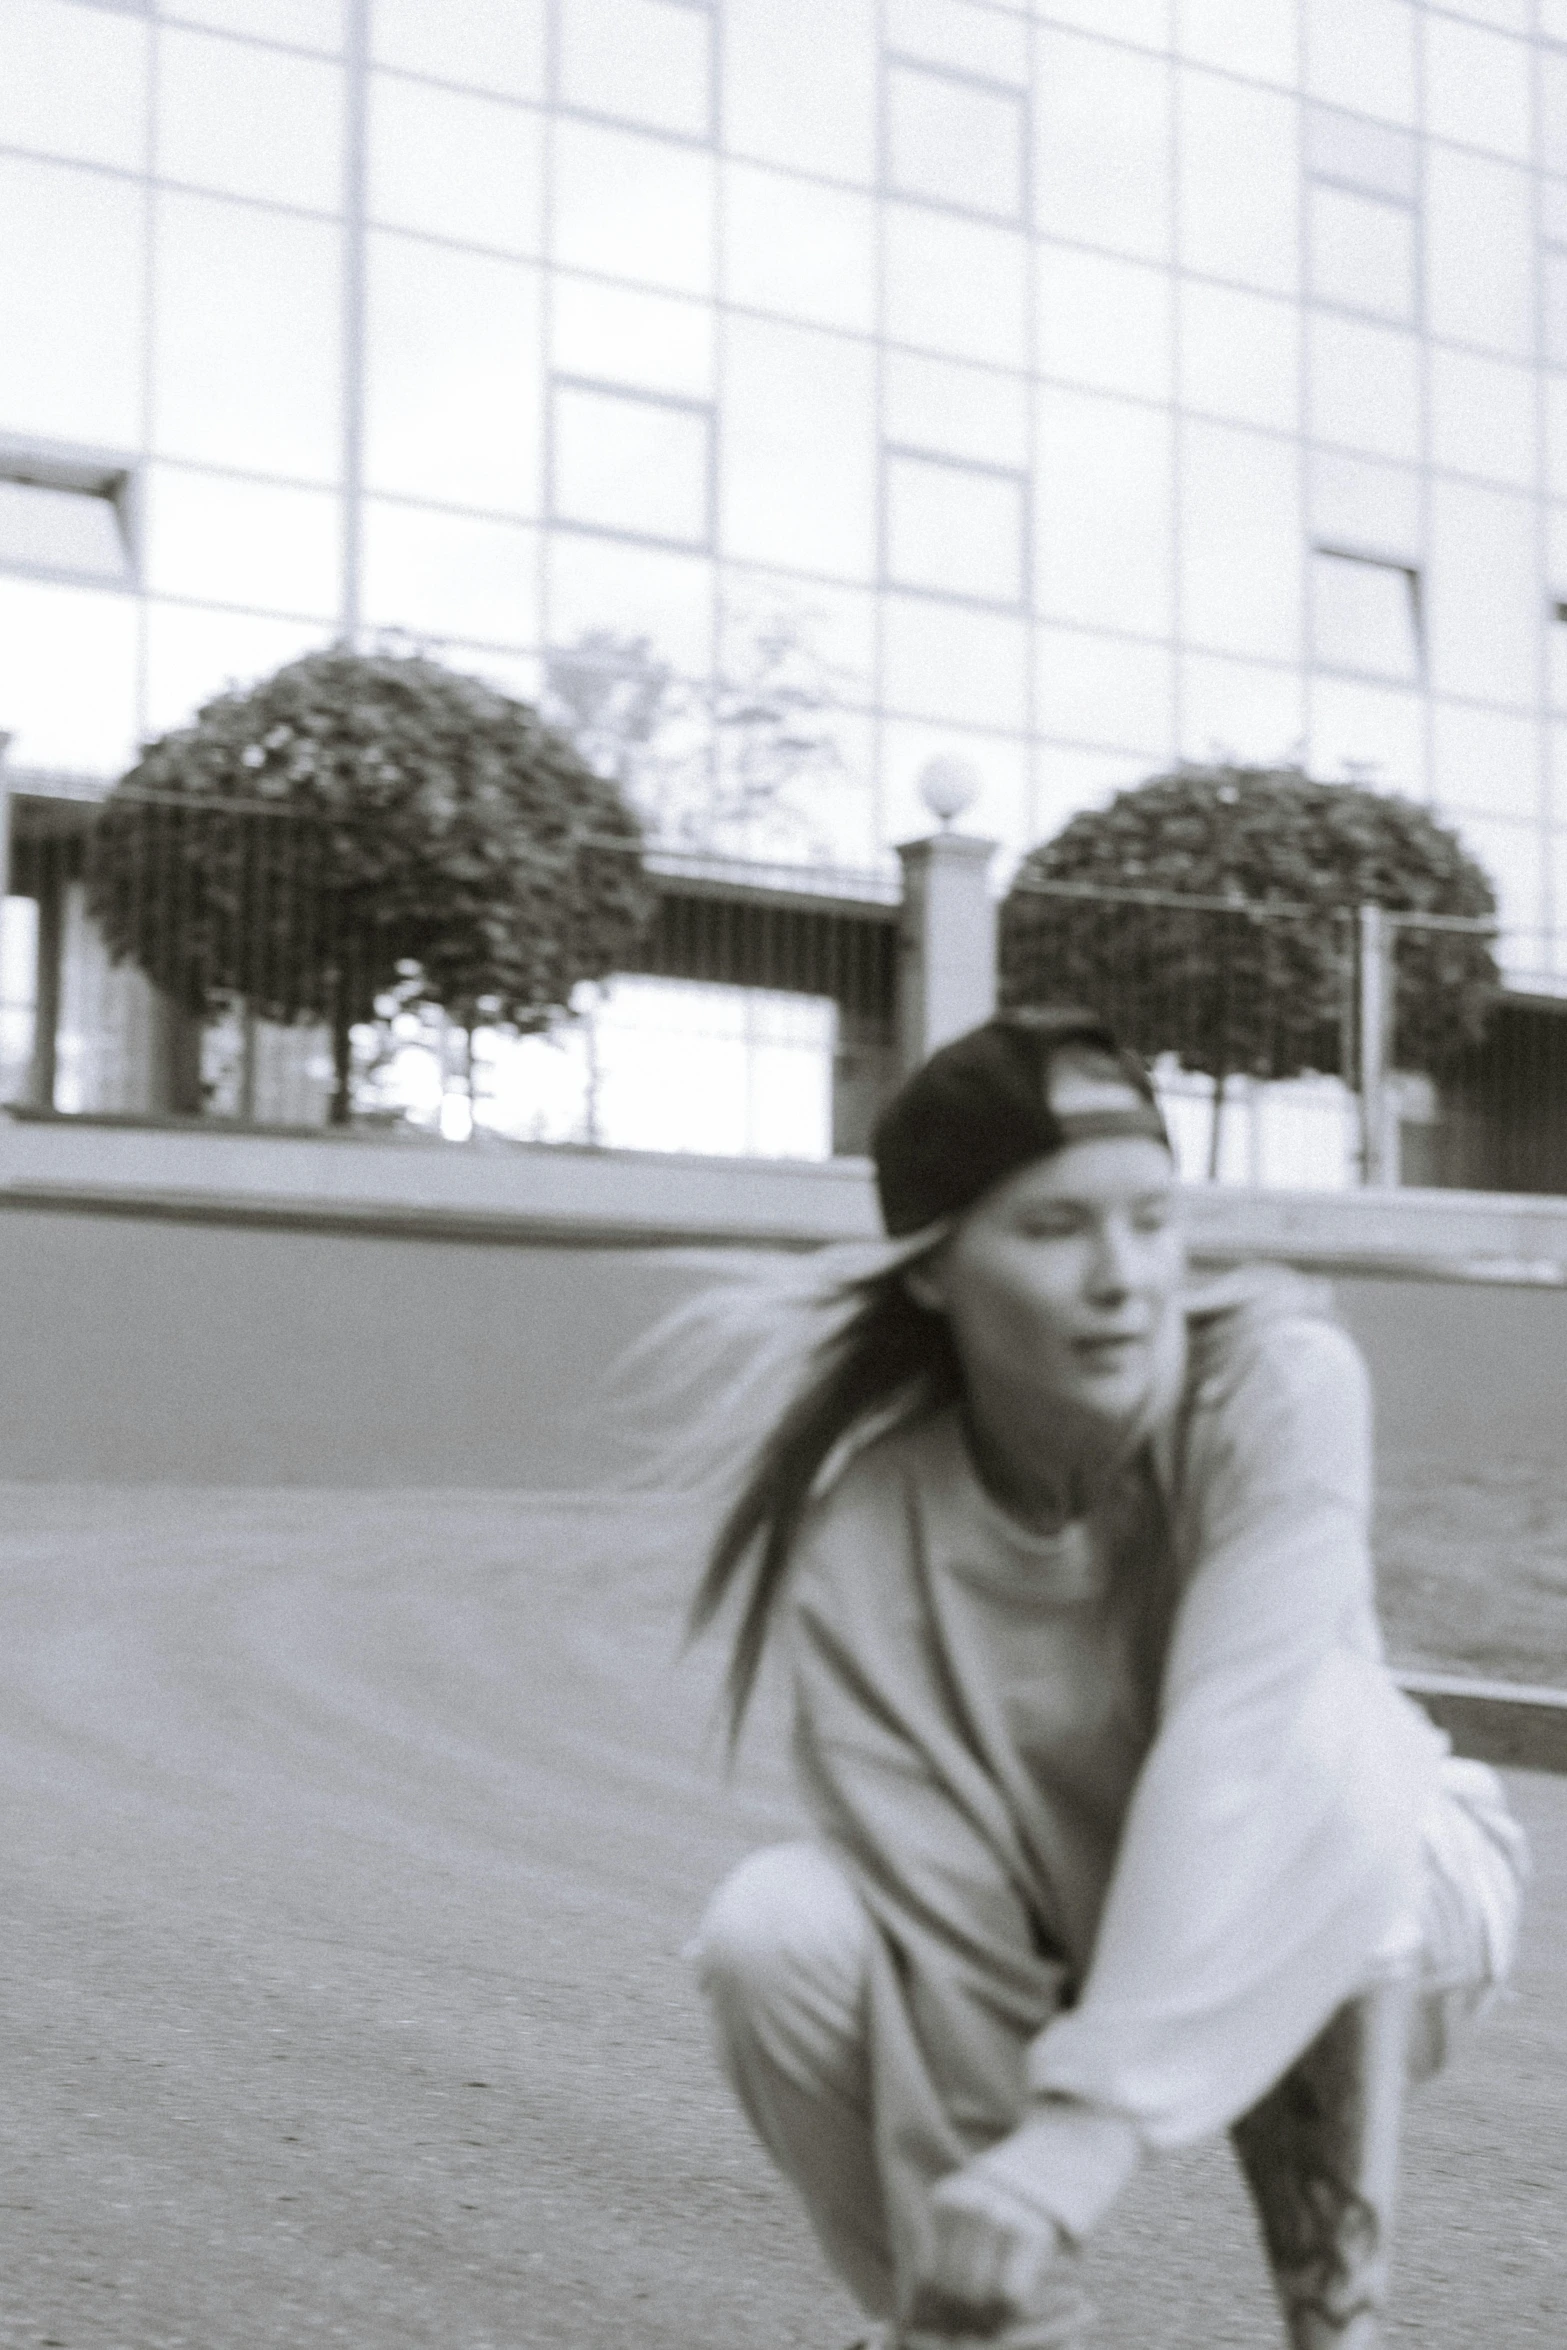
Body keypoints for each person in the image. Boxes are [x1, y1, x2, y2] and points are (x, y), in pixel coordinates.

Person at [682, 1007, 1527, 2350]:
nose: (1123, 1274)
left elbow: (1237, 1748)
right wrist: (1011, 2273)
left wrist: (1080, 2124)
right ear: (932, 1269)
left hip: (1390, 1902)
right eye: (1054, 1226)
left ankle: (1338, 2333)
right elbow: (945, 1913)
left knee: (1314, 1731)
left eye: (1148, 1217)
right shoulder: (865, 1529)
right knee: (773, 1930)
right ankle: (974, 2324)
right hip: (1073, 1940)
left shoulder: (1274, 1382)